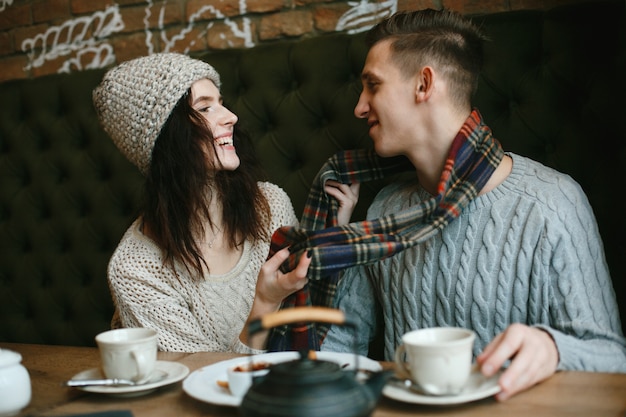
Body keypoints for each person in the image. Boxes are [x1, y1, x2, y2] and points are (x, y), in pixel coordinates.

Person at [307, 8, 626, 401]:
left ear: (423, 84)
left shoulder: (552, 203)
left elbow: (613, 358)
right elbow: (339, 349)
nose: (359, 106)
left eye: (372, 85)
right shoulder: (384, 209)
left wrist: (554, 347)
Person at [92, 53, 310, 353]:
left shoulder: (270, 205)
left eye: (221, 102)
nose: (230, 116)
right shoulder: (135, 270)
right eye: (205, 107)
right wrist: (265, 303)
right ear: (167, 136)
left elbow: (308, 321)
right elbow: (204, 382)